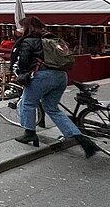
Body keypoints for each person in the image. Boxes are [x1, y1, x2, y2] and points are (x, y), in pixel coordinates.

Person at [10, 16, 99, 157]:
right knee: (52, 108)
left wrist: (21, 72)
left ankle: (29, 133)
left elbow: (24, 62)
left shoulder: (29, 41)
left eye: (22, 27)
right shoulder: (51, 38)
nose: (20, 29)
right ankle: (81, 139)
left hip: (42, 76)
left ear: (28, 28)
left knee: (28, 103)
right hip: (61, 76)